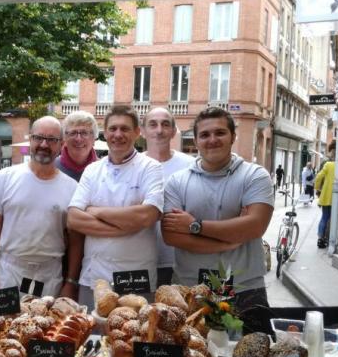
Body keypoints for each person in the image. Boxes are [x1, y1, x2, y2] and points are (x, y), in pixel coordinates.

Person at [162, 107, 274, 334]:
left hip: (245, 288)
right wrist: (229, 240)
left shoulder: (255, 175)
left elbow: (255, 225)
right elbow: (172, 235)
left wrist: (194, 225)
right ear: (195, 140)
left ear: (233, 136)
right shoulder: (177, 181)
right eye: (204, 135)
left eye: (220, 133)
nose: (212, 139)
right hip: (189, 289)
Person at [68, 105, 163, 310]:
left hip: (135, 277)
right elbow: (74, 219)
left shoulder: (151, 168)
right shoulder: (92, 170)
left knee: (131, 336)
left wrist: (96, 211)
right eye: (113, 129)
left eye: (125, 129)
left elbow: (147, 215)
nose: (118, 134)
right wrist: (127, 225)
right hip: (94, 277)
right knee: (92, 338)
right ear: (105, 133)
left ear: (137, 133)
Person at [0, 116, 82, 299]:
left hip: (50, 275)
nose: (44, 144)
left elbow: (75, 240)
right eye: (38, 137)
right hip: (9, 272)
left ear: (61, 145)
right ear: (30, 139)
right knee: (4, 325)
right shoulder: (5, 177)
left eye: (52, 140)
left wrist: (70, 282)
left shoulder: (72, 188)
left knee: (46, 327)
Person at [143, 107, 195, 287]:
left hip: (180, 260)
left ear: (173, 132)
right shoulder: (134, 166)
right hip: (140, 261)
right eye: (153, 124)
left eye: (165, 125)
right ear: (142, 131)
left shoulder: (191, 166)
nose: (159, 130)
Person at [54, 110, 99, 181]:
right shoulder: (50, 168)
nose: (78, 139)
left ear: (94, 139)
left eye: (84, 133)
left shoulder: (103, 171)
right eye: (73, 133)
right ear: (64, 139)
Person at [315, 141, 336, 249]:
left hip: (325, 195)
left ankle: (320, 238)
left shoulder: (326, 163)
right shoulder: (336, 164)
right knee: (332, 218)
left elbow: (319, 177)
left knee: (324, 217)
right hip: (335, 197)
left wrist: (318, 190)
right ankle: (328, 239)